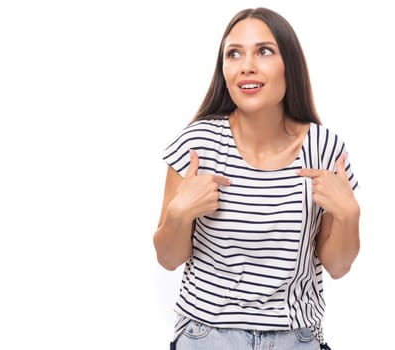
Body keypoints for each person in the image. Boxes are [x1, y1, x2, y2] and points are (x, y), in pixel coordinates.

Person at [153, 7, 360, 350]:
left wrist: (349, 215)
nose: (247, 65)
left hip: (297, 336)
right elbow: (168, 259)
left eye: (264, 51)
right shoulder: (198, 144)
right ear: (225, 69)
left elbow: (338, 267)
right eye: (234, 53)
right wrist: (178, 215)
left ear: (288, 65)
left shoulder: (324, 148)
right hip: (206, 334)